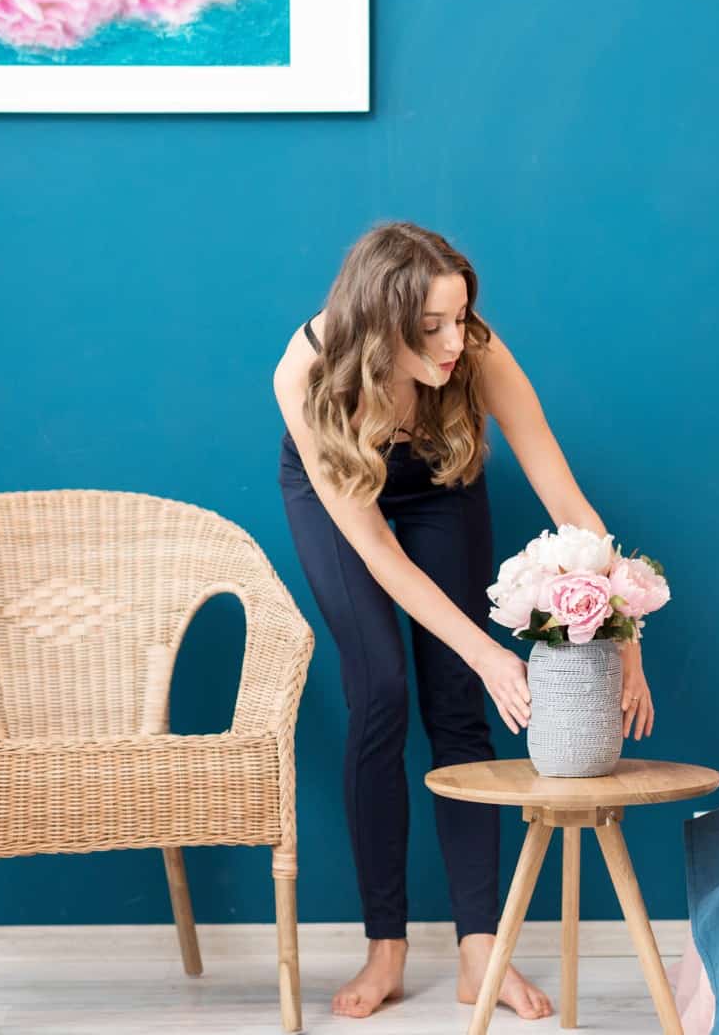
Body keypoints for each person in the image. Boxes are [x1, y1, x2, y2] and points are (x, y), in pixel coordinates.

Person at [273, 221, 656, 1020]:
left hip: (439, 479)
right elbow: (379, 555)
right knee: (380, 690)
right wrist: (489, 651)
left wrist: (626, 634)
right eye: (431, 328)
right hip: (340, 493)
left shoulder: (474, 350)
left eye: (461, 317)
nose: (456, 342)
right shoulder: (305, 372)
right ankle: (385, 947)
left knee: (457, 701)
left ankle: (482, 953)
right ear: (379, 325)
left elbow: (567, 502)